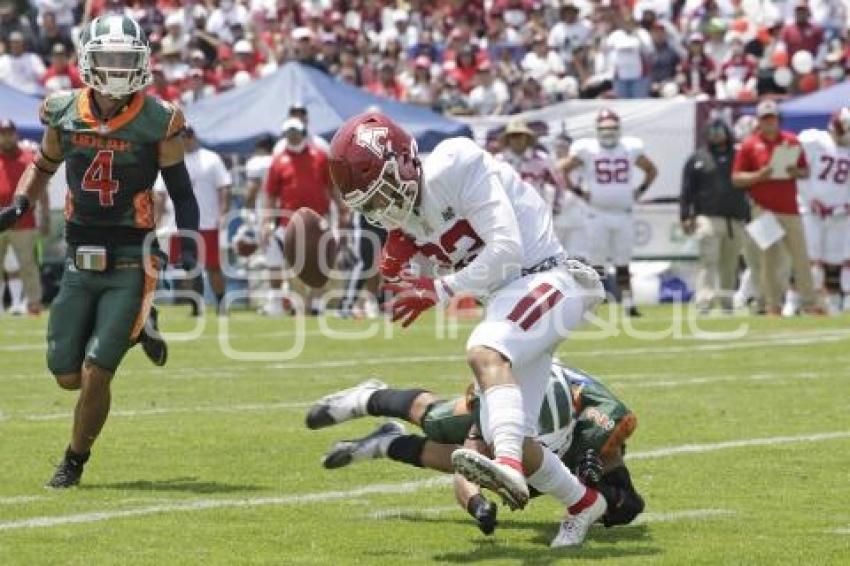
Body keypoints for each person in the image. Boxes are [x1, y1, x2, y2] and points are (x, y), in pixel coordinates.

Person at [328, 111, 607, 547]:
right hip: (508, 299)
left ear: (403, 164)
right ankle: (583, 502)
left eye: (382, 195)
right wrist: (400, 259)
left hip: (551, 278)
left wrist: (438, 289)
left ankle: (510, 471)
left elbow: (506, 247)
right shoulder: (407, 218)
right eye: (372, 204)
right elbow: (425, 249)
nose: (382, 209)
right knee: (508, 435)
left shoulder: (456, 163)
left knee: (484, 350)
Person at [0, 15, 199, 488]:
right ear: (89, 59)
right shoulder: (62, 110)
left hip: (133, 255)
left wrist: (188, 244)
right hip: (78, 256)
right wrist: (22, 202)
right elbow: (43, 165)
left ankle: (73, 460)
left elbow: (183, 193)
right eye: (109, 58)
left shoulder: (159, 119)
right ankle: (137, 329)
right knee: (65, 374)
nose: (118, 68)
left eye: (126, 59)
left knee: (95, 371)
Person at [310, 362, 643, 536]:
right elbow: (464, 467)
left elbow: (611, 454)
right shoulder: (495, 414)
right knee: (436, 422)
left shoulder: (599, 414)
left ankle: (387, 443)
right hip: (506, 420)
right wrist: (477, 504)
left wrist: (598, 469)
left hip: (568, 439)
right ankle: (370, 398)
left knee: (626, 506)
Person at [559, 108, 658, 316]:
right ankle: (591, 305)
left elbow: (651, 169)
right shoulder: (588, 149)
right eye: (604, 129)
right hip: (597, 212)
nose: (608, 133)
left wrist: (639, 191)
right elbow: (562, 169)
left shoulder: (629, 148)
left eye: (612, 128)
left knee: (623, 262)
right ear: (597, 130)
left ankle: (629, 304)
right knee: (597, 263)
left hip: (623, 212)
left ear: (619, 129)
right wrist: (579, 192)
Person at [732, 99, 821, 315]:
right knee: (770, 257)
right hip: (762, 208)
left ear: (778, 120)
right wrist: (759, 175)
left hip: (790, 208)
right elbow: (736, 178)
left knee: (801, 257)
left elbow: (806, 171)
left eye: (772, 119)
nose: (769, 123)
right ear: (759, 122)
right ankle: (773, 305)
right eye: (765, 119)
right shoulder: (749, 145)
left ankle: (810, 303)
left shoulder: (791, 141)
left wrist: (794, 172)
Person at [264, 117, 342, 315]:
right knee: (283, 262)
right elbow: (271, 195)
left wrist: (341, 210)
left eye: (295, 131)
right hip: (287, 221)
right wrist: (266, 221)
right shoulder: (278, 160)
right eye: (289, 132)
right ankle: (284, 303)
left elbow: (331, 188)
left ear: (303, 132)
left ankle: (315, 303)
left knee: (318, 262)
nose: (292, 135)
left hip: (317, 220)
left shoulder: (320, 156)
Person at [155, 126, 231, 315]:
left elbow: (224, 188)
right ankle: (195, 305)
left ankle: (221, 304)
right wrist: (159, 218)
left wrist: (223, 214)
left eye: (188, 135)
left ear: (195, 136)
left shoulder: (211, 159)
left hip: (207, 221)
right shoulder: (170, 158)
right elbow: (159, 192)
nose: (186, 139)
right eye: (181, 136)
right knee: (188, 267)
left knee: (213, 266)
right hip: (177, 223)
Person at [680, 118, 750, 313]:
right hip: (707, 217)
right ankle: (704, 301)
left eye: (720, 130)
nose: (716, 134)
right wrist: (685, 215)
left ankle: (727, 302)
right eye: (712, 130)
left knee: (730, 264)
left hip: (734, 218)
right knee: (708, 259)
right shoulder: (698, 159)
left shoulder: (739, 156)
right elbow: (687, 189)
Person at [796, 109, 850, 314]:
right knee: (813, 259)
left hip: (840, 212)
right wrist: (809, 198)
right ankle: (811, 301)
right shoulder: (814, 140)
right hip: (812, 210)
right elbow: (799, 171)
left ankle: (839, 301)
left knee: (838, 260)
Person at [0, 119, 48, 315]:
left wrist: (46, 217)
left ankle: (34, 304)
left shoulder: (29, 158)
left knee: (28, 264)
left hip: (24, 221)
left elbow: (41, 189)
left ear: (16, 134)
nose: (6, 136)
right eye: (3, 133)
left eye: (9, 132)